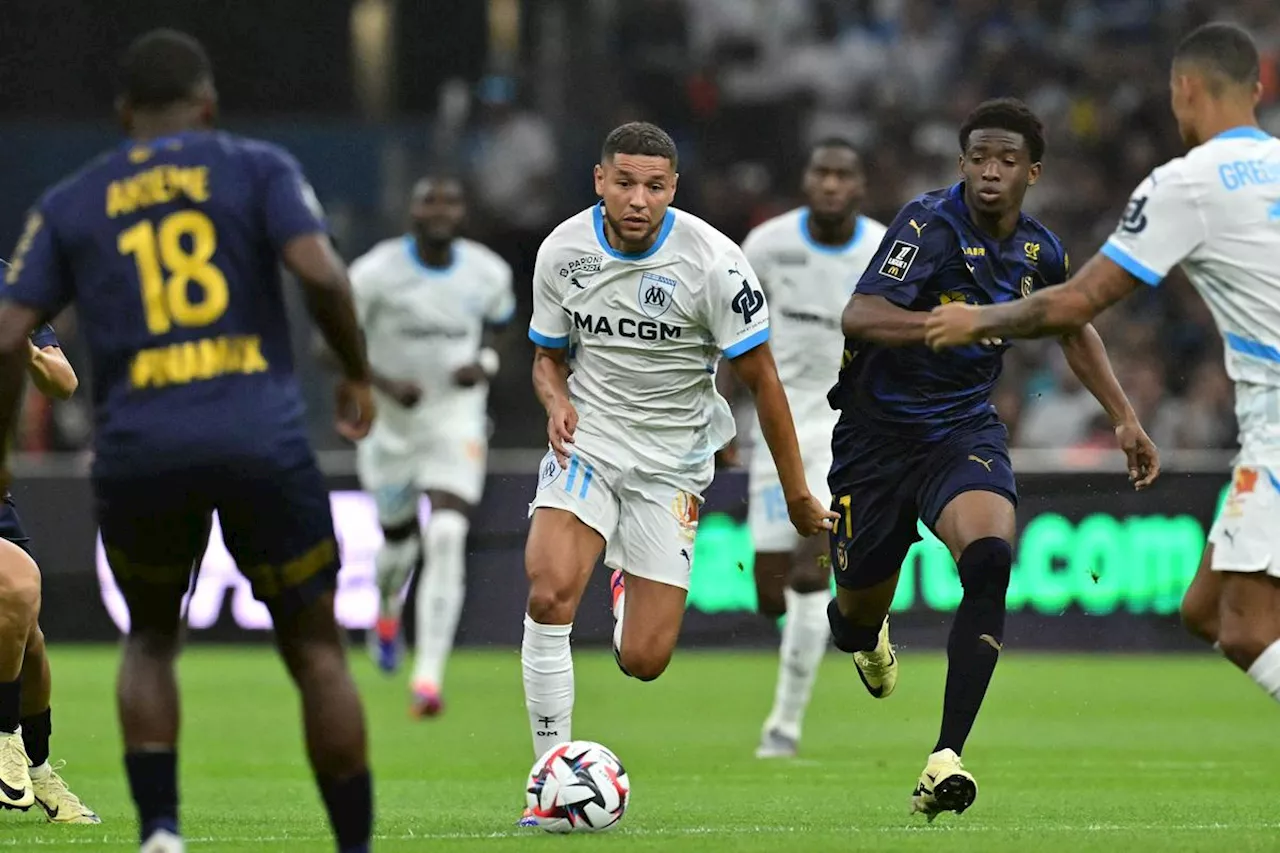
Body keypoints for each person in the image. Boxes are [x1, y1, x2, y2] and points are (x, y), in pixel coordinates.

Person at [0, 30, 375, 853]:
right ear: (207, 105)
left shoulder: (73, 199)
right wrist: (355, 372)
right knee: (317, 652)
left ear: (122, 114)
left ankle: (162, 833)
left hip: (144, 445)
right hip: (261, 435)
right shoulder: (259, 167)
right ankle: (353, 846)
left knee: (151, 640)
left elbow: (9, 334)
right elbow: (320, 272)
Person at [925, 24, 1280, 718]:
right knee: (1206, 608)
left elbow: (1081, 300)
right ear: (1258, 89)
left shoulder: (1189, 183)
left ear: (1184, 90)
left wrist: (980, 318)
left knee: (1244, 626)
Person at [829, 97, 1159, 820]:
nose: (989, 171)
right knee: (852, 616)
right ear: (961, 163)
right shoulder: (926, 223)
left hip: (961, 432)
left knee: (988, 559)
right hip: (875, 440)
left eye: (1006, 161)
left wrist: (1125, 417)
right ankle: (867, 639)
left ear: (1031, 171)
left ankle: (945, 756)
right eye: (978, 157)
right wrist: (932, 328)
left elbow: (1073, 325)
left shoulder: (1041, 251)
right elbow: (858, 315)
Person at [520, 121, 835, 817]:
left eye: (654, 186)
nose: (638, 199)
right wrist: (556, 399)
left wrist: (798, 495)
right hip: (591, 444)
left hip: (673, 465)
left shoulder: (714, 264)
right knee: (547, 593)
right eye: (625, 182)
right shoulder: (562, 251)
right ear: (600, 180)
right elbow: (546, 355)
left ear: (673, 189)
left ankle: (628, 577)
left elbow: (765, 381)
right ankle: (549, 775)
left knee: (644, 660)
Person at [738, 139, 887, 759]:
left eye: (842, 175)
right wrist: (721, 415)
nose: (830, 185)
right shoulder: (766, 246)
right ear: (805, 180)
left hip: (847, 428)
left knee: (806, 575)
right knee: (771, 593)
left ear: (860, 186)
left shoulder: (885, 247)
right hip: (775, 426)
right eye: (820, 173)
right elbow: (730, 334)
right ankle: (865, 611)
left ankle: (783, 727)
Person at [349, 175, 514, 717]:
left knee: (445, 532)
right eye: (428, 202)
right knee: (398, 546)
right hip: (391, 426)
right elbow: (331, 345)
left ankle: (428, 678)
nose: (440, 210)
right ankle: (388, 605)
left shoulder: (488, 272)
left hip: (454, 419)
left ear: (463, 213)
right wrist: (385, 384)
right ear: (411, 211)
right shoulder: (374, 273)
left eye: (450, 201)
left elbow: (501, 329)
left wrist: (483, 363)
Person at [0, 327, 98, 823]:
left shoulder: (8, 289)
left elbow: (64, 382)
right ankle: (1, 738)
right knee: (16, 585)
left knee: (29, 636)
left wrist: (28, 350)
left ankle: (36, 767)